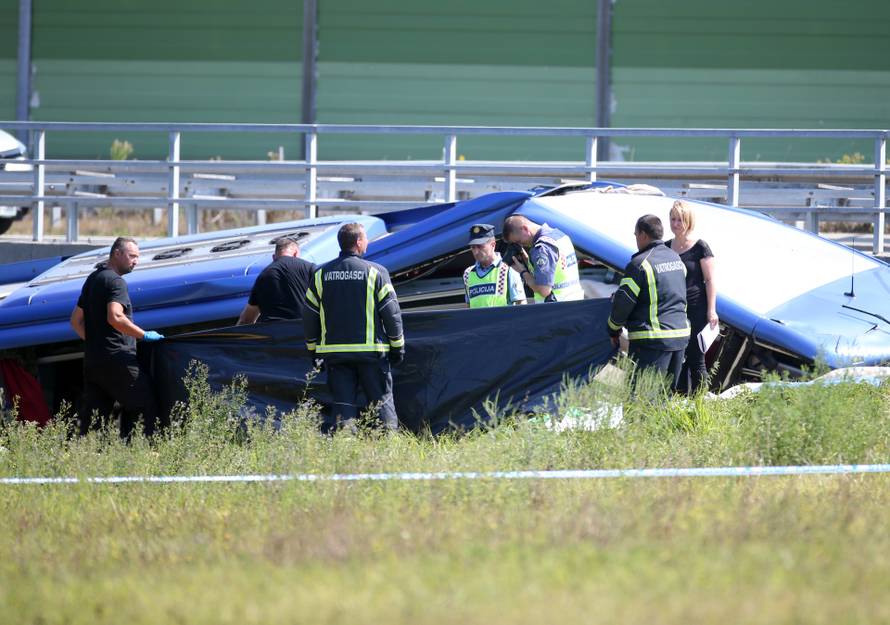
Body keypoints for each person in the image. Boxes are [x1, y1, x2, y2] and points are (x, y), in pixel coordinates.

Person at [302, 223, 405, 432]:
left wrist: (313, 350)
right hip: (371, 354)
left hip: (335, 354)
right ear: (358, 242)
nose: (367, 242)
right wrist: (398, 347)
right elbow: (392, 314)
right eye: (365, 238)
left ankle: (346, 444)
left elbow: (309, 315)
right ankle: (389, 445)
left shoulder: (321, 274)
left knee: (343, 407)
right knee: (382, 403)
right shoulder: (376, 272)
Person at [69, 237, 164, 439]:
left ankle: (90, 455)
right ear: (117, 253)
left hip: (93, 362)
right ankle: (147, 453)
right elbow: (115, 317)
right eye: (132, 256)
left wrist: (96, 343)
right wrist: (144, 335)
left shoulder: (94, 278)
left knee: (95, 422)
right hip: (118, 360)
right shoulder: (116, 282)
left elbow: (75, 321)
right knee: (147, 407)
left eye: (137, 257)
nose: (136, 261)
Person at [607, 215, 690, 389]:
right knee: (664, 398)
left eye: (636, 234)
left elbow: (623, 303)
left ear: (643, 235)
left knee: (641, 398)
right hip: (679, 337)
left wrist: (613, 329)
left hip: (653, 342)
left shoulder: (639, 264)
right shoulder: (676, 259)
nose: (636, 239)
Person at [667, 200, 718, 394]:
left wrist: (711, 310)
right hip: (674, 310)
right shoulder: (665, 247)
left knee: (696, 357)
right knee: (676, 356)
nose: (676, 224)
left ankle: (700, 402)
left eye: (680, 220)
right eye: (673, 219)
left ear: (688, 221)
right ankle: (678, 397)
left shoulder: (700, 247)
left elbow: (710, 280)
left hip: (696, 308)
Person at [502, 215, 584, 303]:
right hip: (575, 301)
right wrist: (526, 259)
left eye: (519, 241)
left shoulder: (542, 249)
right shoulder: (559, 236)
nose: (520, 244)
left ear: (525, 229)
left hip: (557, 307)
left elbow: (544, 290)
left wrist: (523, 272)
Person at [237, 236, 316, 324]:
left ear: (274, 257)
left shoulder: (263, 276)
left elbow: (246, 319)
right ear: (296, 253)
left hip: (274, 330)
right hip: (304, 328)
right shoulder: (309, 268)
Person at [463, 223, 526, 308]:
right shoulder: (468, 273)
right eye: (473, 247)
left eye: (480, 246)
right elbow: (468, 307)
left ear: (493, 245)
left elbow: (521, 304)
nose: (476, 251)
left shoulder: (507, 269)